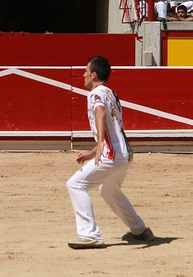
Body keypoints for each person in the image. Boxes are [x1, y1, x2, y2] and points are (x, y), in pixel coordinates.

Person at [66, 56, 154, 249]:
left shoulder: (95, 93)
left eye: (86, 71)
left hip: (111, 154)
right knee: (108, 190)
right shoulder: (111, 93)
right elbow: (111, 126)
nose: (83, 74)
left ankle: (89, 235)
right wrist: (92, 152)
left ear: (94, 74)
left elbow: (100, 113)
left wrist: (99, 145)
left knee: (75, 184)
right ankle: (140, 230)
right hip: (125, 154)